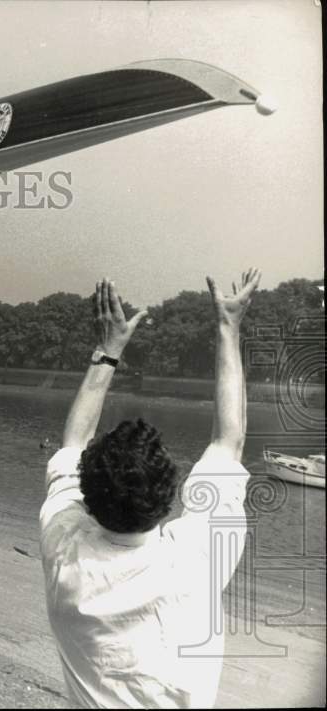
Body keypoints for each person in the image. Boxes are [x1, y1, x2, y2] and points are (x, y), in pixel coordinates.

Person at [39, 272, 261, 708]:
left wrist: (109, 350)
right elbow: (228, 439)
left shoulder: (65, 552)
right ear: (167, 497)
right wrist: (227, 329)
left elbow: (72, 444)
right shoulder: (196, 559)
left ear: (89, 497)